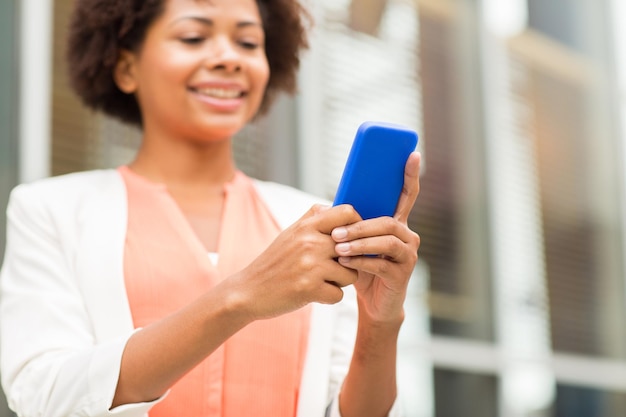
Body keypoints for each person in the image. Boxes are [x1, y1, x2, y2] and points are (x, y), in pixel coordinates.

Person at [0, 0, 421, 416]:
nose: (228, 59)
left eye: (248, 43)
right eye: (193, 37)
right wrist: (241, 296)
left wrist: (379, 324)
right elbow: (44, 398)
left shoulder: (313, 223)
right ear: (127, 68)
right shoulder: (51, 211)